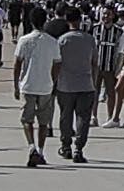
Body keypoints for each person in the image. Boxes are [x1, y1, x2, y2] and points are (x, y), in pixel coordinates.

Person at [13, 12, 59, 168]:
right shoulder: (52, 42)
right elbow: (57, 63)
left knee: (27, 119)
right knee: (44, 122)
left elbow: (17, 63)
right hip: (45, 85)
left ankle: (31, 146)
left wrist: (15, 85)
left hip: (28, 84)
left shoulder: (24, 40)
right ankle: (40, 150)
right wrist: (53, 79)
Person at [54, 10, 98, 162]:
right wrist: (95, 81)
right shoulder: (89, 39)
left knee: (65, 116)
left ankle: (66, 146)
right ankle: (79, 148)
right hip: (86, 84)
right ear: (80, 20)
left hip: (65, 84)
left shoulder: (61, 40)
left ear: (67, 21)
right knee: (83, 118)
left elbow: (57, 63)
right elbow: (94, 63)